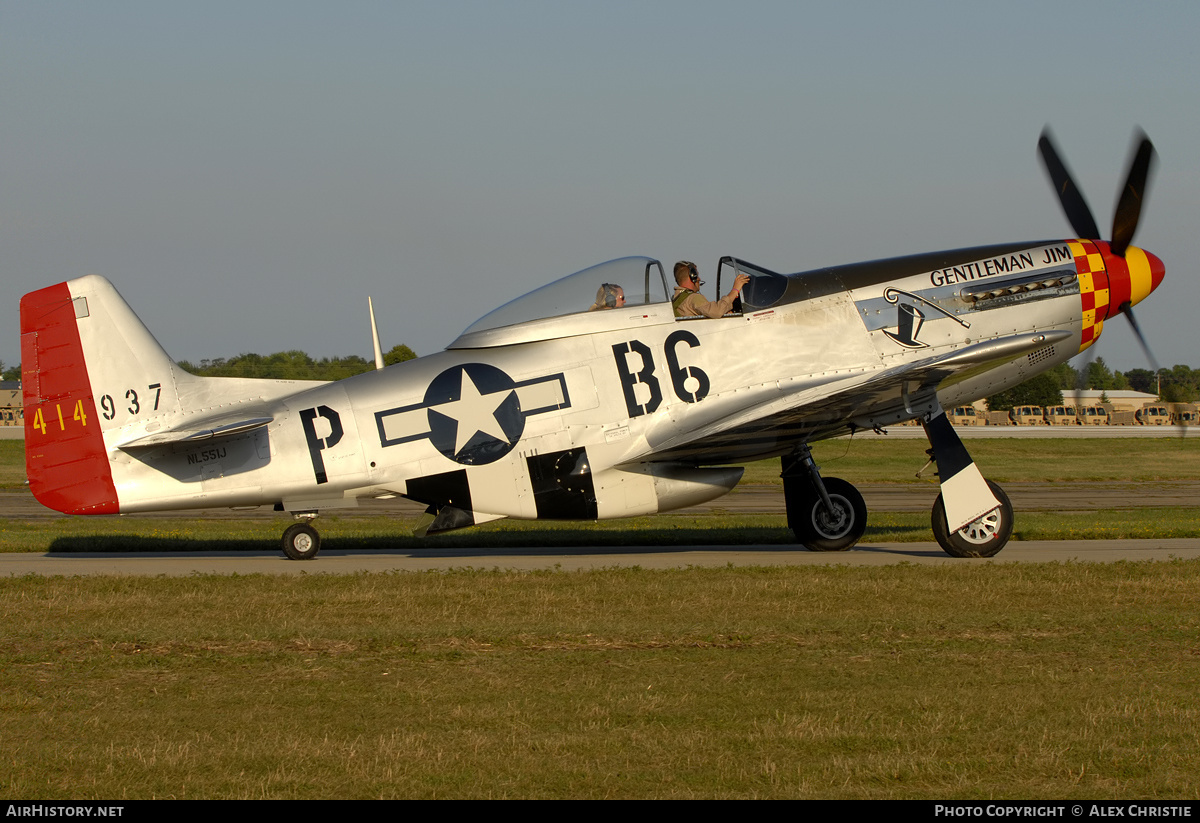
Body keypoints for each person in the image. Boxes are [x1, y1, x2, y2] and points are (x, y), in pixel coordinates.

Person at [671, 261, 749, 318]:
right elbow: (717, 311)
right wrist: (735, 289)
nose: (699, 278)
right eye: (697, 275)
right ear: (693, 277)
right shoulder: (693, 298)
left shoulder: (675, 301)